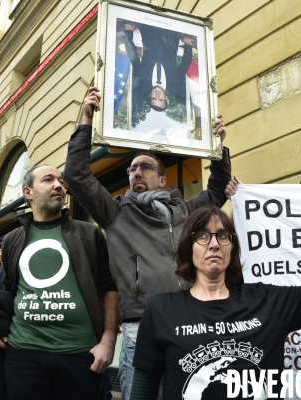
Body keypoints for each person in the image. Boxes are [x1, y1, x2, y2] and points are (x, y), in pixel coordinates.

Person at [65, 86, 231, 399]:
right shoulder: (115, 211)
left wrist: (218, 145)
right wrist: (86, 118)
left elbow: (218, 189)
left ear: (162, 179)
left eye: (145, 166)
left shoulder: (185, 210)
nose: (136, 172)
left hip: (188, 319)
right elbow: (76, 175)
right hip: (140, 326)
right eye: (131, 168)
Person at [129, 203, 301, 399]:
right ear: (187, 248)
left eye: (223, 235)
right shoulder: (162, 310)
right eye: (201, 235)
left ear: (232, 248)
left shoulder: (265, 300)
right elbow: (142, 391)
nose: (214, 244)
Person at [0, 165, 119, 400]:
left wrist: (108, 340)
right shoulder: (11, 241)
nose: (59, 185)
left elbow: (109, 287)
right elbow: (7, 291)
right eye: (48, 180)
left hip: (81, 354)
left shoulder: (89, 234)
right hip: (23, 354)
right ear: (28, 192)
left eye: (60, 181)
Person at [119, 23, 192, 112]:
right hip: (171, 32)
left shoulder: (142, 77)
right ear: (166, 98)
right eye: (160, 99)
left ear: (150, 95)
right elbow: (185, 64)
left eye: (154, 98)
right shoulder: (175, 81)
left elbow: (132, 54)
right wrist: (188, 45)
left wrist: (128, 32)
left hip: (149, 28)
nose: (157, 95)